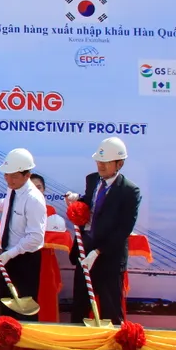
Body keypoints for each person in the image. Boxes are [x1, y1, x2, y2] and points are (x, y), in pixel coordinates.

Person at [65, 137, 141, 325]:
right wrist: (77, 200)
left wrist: (98, 252)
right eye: (98, 161)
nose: (100, 165)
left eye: (106, 162)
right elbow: (90, 203)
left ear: (119, 164)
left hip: (109, 259)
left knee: (111, 312)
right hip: (85, 254)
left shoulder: (129, 191)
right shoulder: (92, 180)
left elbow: (124, 229)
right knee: (79, 311)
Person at [0, 148, 47, 320]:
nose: (8, 179)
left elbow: (35, 237)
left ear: (27, 175)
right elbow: (7, 204)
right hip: (9, 255)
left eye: (14, 176)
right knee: (8, 306)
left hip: (25, 260)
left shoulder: (34, 199)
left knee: (23, 310)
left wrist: (10, 254)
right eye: (6, 175)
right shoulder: (14, 188)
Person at [29, 173, 64, 323]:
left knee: (46, 294)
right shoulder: (19, 209)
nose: (36, 190)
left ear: (44, 189)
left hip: (46, 260)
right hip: (26, 258)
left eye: (39, 187)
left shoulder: (50, 211)